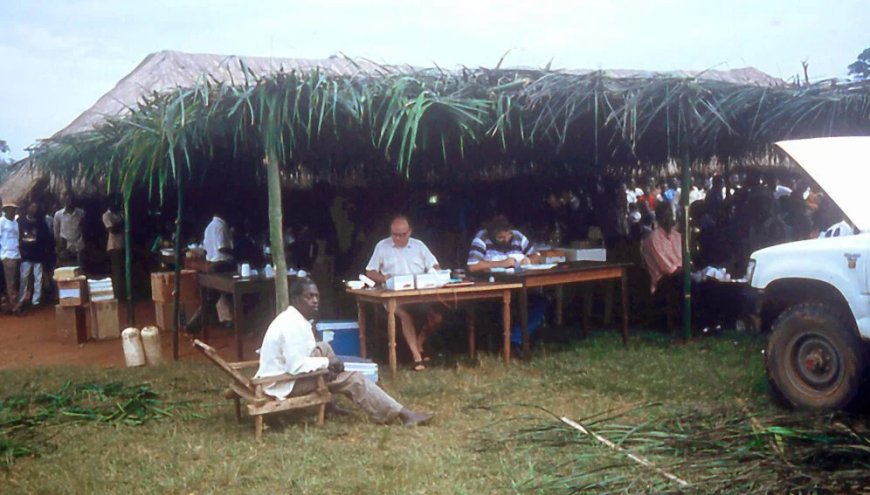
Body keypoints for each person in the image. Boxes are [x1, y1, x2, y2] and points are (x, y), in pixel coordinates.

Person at [256, 277, 434, 426]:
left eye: (316, 296)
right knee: (353, 378)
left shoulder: (294, 318)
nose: (315, 301)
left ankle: (330, 403)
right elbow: (296, 367)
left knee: (324, 347)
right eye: (308, 297)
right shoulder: (291, 325)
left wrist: (328, 365)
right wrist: (327, 363)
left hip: (285, 373)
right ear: (295, 299)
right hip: (284, 383)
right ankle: (402, 414)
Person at [365, 216, 441, 370]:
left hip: (418, 294)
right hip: (393, 295)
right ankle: (416, 357)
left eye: (402, 235)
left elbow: (435, 265)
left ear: (410, 232)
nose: (398, 238)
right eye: (395, 234)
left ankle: (419, 342)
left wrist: (432, 274)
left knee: (436, 318)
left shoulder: (419, 246)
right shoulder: (382, 246)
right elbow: (369, 271)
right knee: (405, 316)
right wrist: (381, 277)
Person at [466, 215, 544, 355]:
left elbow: (537, 255)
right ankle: (508, 341)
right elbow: (472, 266)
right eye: (501, 238)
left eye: (507, 236)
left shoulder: (518, 236)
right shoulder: (481, 238)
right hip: (494, 288)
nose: (506, 240)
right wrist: (501, 263)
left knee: (541, 302)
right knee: (499, 308)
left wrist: (529, 260)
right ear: (492, 234)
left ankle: (515, 339)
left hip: (520, 286)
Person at [18, 202, 53, 308]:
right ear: (27, 208)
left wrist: (44, 252)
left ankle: (36, 301)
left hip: (38, 255)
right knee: (24, 278)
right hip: (25, 255)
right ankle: (22, 299)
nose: (34, 209)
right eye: (32, 207)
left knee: (38, 278)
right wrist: (21, 250)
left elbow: (47, 238)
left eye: (36, 207)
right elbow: (18, 237)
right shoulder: (21, 222)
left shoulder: (41, 224)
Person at [53, 193, 86, 269]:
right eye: (67, 200)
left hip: (78, 243)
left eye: (71, 200)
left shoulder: (81, 213)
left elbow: (83, 226)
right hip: (65, 244)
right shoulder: (58, 214)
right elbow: (56, 230)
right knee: (66, 267)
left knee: (79, 268)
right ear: (64, 201)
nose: (70, 202)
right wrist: (60, 244)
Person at [1, 202, 22, 314]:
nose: (14, 212)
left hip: (16, 253)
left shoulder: (15, 223)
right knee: (11, 282)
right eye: (12, 210)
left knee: (15, 281)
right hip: (7, 254)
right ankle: (15, 306)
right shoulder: (1, 222)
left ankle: (13, 303)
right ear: (6, 210)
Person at [102, 202, 125, 300]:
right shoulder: (106, 215)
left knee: (122, 271)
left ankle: (123, 293)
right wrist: (121, 224)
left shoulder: (120, 213)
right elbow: (112, 229)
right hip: (114, 246)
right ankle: (117, 295)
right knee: (117, 272)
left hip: (122, 245)